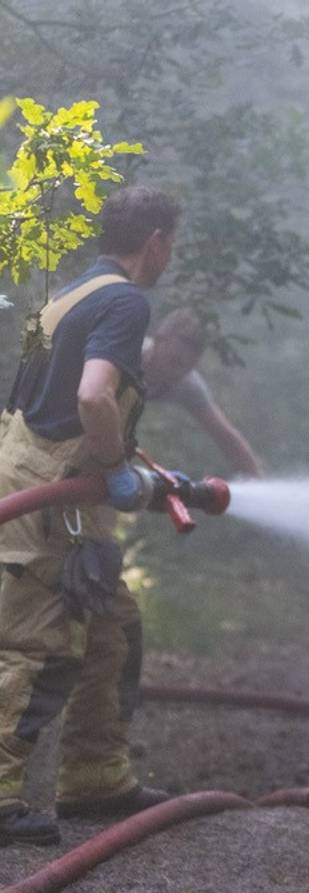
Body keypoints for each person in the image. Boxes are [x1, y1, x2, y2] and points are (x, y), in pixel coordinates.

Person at [0, 185, 182, 846]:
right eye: (171, 245)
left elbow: (52, 397)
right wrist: (113, 471)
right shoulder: (126, 301)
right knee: (29, 640)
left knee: (111, 624)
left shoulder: (72, 293)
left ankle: (96, 775)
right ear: (156, 240)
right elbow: (91, 396)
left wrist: (125, 461)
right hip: (50, 488)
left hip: (53, 480)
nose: (169, 257)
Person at [142, 307, 264, 478]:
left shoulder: (188, 385)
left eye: (196, 348)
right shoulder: (127, 354)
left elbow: (228, 439)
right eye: (184, 341)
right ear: (161, 335)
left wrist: (255, 480)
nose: (186, 354)